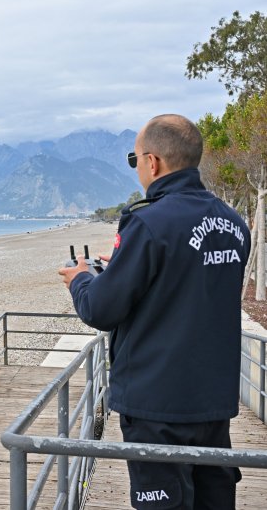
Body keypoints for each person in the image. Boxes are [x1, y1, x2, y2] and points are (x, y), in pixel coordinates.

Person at [58, 114, 251, 509]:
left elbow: (100, 309)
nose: (137, 168)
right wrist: (127, 266)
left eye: (134, 160)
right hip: (213, 401)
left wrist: (80, 280)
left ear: (153, 161)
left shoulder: (147, 223)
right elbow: (190, 284)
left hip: (157, 405)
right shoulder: (234, 225)